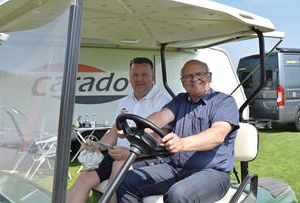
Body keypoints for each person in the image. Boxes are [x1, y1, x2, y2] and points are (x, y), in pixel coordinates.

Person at [116, 59, 240, 203]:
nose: (194, 79)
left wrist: (182, 144)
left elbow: (217, 135)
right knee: (126, 180)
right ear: (182, 82)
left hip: (212, 173)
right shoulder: (180, 100)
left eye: (199, 74)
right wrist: (137, 129)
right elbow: (161, 117)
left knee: (178, 195)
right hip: (175, 169)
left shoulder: (224, 101)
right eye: (188, 76)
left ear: (209, 77)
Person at [66, 57, 171, 203]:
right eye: (135, 75)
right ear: (129, 77)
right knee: (85, 177)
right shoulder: (125, 101)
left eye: (144, 75)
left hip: (148, 157)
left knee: (119, 165)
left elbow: (160, 140)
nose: (139, 79)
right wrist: (97, 146)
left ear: (152, 77)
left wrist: (129, 153)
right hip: (119, 155)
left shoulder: (162, 102)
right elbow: (114, 132)